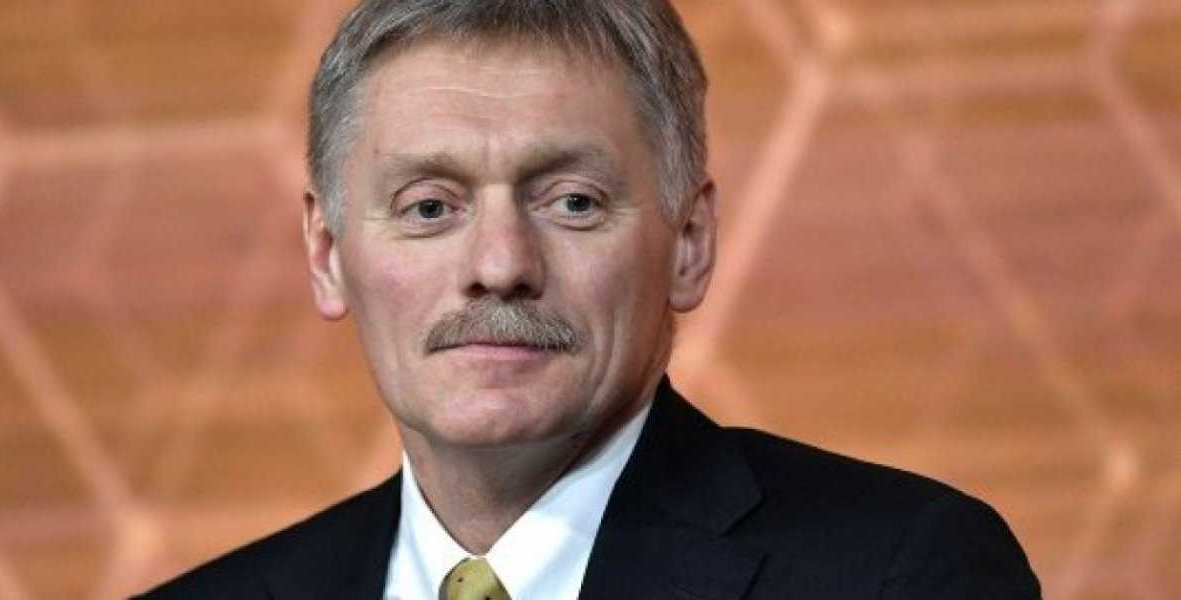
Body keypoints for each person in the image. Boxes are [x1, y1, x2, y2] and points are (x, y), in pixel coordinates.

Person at [140, 1, 1041, 598]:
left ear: (688, 244)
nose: (500, 265)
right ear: (328, 254)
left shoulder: (901, 574)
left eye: (571, 201)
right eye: (430, 208)